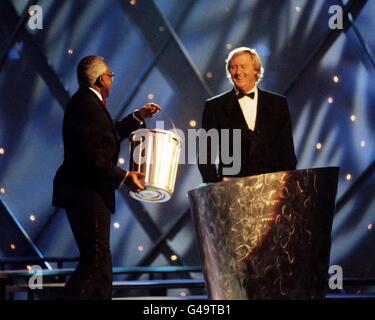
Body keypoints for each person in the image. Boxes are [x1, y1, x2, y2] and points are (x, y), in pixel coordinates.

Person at [52, 55, 160, 299]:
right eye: (111, 75)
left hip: (86, 192)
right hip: (87, 193)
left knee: (99, 265)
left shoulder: (87, 102)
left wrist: (138, 116)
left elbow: (106, 139)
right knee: (96, 263)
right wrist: (124, 176)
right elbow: (93, 157)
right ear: (102, 79)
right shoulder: (87, 105)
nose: (112, 79)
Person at [198, 47, 297, 183]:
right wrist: (217, 187)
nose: (238, 72)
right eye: (233, 68)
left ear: (256, 69)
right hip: (231, 191)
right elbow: (205, 155)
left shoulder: (277, 103)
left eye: (243, 66)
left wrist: (283, 185)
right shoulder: (214, 106)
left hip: (271, 189)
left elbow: (287, 152)